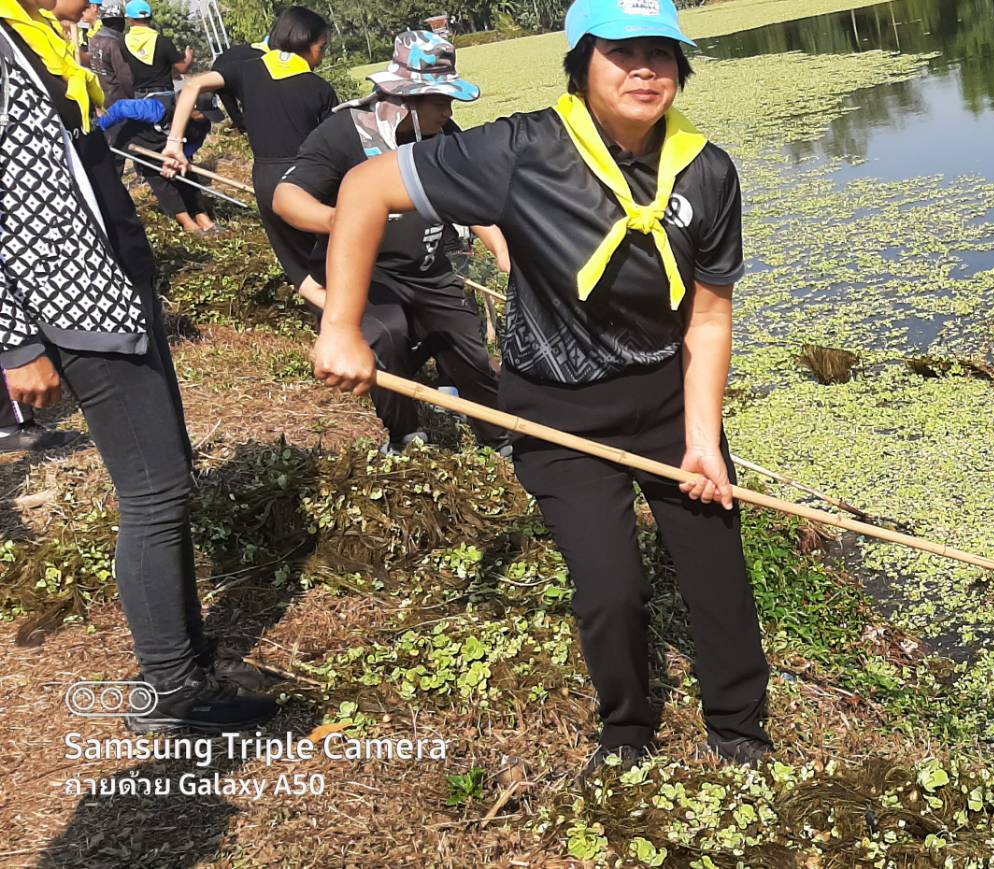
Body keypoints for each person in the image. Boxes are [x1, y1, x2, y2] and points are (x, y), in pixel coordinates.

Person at [313, 0, 772, 772]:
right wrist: (342, 326)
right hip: (558, 409)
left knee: (718, 571)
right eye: (621, 51)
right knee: (610, 588)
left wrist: (701, 441)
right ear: (581, 59)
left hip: (666, 400)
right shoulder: (520, 150)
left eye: (661, 52)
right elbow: (362, 190)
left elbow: (709, 317)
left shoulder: (708, 170)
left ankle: (741, 728)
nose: (644, 69)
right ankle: (626, 733)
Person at [2, 0, 277, 732]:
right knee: (153, 492)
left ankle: (185, 655)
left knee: (170, 478)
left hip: (112, 288)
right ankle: (170, 690)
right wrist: (16, 344)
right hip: (74, 305)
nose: (95, 2)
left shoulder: (41, 40)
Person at [275, 31, 506, 454]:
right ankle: (405, 435)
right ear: (406, 98)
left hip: (428, 268)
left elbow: (472, 202)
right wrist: (342, 221)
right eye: (440, 101)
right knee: (386, 334)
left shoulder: (442, 135)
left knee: (466, 343)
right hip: (369, 275)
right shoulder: (344, 132)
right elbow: (285, 197)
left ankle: (499, 438)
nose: (447, 111)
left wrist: (505, 252)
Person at [163, 6, 333, 303]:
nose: (322, 56)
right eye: (322, 47)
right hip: (311, 178)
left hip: (267, 181)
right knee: (334, 255)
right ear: (306, 42)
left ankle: (334, 320)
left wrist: (174, 143)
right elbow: (335, 144)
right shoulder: (320, 87)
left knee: (299, 268)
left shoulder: (247, 68)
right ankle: (349, 321)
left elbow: (193, 85)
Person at [102, 88, 222, 233]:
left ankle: (202, 217)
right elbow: (121, 108)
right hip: (128, 137)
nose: (206, 118)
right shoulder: (157, 108)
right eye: (204, 113)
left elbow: (193, 144)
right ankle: (187, 223)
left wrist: (181, 159)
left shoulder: (201, 123)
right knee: (155, 175)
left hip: (163, 143)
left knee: (186, 174)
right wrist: (98, 127)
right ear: (191, 107)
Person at [120, 0, 186, 96]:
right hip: (164, 96)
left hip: (140, 97)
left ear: (130, 20)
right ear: (150, 18)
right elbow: (182, 68)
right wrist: (189, 57)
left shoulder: (123, 42)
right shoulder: (163, 41)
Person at [81, 0, 129, 104]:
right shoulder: (114, 43)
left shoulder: (95, 39)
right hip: (117, 101)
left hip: (100, 98)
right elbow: (125, 77)